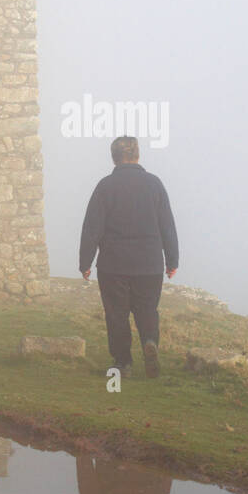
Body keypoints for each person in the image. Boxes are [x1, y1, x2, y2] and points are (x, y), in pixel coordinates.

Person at [79, 136, 179, 378]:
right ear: (137, 155)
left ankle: (123, 363)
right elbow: (167, 226)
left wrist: (85, 262)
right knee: (147, 310)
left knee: (117, 314)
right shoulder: (154, 184)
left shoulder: (105, 187)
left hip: (114, 264)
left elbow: (92, 227)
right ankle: (149, 342)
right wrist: (172, 261)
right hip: (150, 264)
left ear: (114, 157)